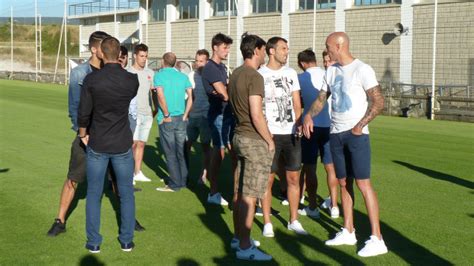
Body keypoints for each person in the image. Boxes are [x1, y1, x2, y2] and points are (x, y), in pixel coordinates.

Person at [303, 32, 388, 257]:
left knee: (363, 184)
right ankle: (348, 230)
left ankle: (377, 238)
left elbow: (378, 102)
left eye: (328, 46)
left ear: (339, 46)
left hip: (356, 135)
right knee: (343, 183)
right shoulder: (331, 71)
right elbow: (322, 98)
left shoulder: (363, 69)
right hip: (335, 134)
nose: (326, 49)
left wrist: (360, 125)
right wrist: (309, 116)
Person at [78, 36, 139, 253]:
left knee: (94, 193)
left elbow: (84, 112)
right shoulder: (132, 80)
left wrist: (82, 133)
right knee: (126, 192)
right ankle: (126, 240)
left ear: (102, 54)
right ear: (119, 54)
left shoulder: (92, 80)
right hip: (122, 142)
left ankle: (94, 242)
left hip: (98, 142)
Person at [47, 31, 109, 236]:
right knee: (73, 178)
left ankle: (129, 219)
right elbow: (74, 106)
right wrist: (82, 133)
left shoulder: (110, 71)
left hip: (109, 135)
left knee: (118, 179)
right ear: (94, 49)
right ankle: (60, 220)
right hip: (86, 136)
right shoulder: (80, 73)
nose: (107, 50)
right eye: (103, 46)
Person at [228, 32, 273, 261]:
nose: (264, 54)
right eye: (263, 50)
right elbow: (256, 114)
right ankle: (245, 246)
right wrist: (269, 140)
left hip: (238, 137)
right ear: (256, 50)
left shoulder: (235, 74)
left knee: (240, 191)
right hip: (253, 140)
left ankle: (239, 237)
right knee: (250, 195)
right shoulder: (254, 76)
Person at [258, 37, 307, 237]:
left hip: (292, 133)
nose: (287, 52)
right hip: (270, 135)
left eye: (287, 49)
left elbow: (297, 101)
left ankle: (293, 219)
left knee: (293, 177)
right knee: (268, 180)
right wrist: (265, 131)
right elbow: (258, 105)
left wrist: (298, 121)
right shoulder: (260, 74)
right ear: (271, 51)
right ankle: (268, 222)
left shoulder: (291, 73)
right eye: (283, 49)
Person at [296, 49, 339, 219]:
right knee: (330, 168)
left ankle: (312, 206)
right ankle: (334, 206)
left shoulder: (300, 78)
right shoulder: (330, 75)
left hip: (310, 126)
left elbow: (296, 102)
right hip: (330, 127)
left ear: (301, 63)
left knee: (309, 167)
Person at [201, 33, 236, 206]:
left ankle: (224, 189)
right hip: (218, 114)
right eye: (225, 47)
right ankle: (213, 191)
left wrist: (226, 90)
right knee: (219, 151)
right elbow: (225, 94)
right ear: (215, 47)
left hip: (227, 113)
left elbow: (226, 91)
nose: (227, 51)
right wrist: (225, 91)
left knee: (228, 150)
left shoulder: (221, 67)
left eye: (228, 47)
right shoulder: (210, 68)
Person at [154, 52, 193, 192]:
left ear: (163, 61)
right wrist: (186, 114)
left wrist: (166, 114)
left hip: (168, 118)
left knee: (170, 152)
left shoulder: (159, 76)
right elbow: (190, 96)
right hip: (181, 118)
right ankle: (183, 180)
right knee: (181, 151)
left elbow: (160, 94)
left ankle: (175, 183)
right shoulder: (182, 76)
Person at [127, 44, 155, 183]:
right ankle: (129, 173)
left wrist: (154, 111)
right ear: (135, 56)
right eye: (141, 56)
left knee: (142, 143)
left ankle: (138, 172)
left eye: (146, 56)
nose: (144, 59)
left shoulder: (150, 73)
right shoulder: (128, 72)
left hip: (147, 113)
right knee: (133, 143)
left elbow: (154, 93)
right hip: (134, 113)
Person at [186, 49, 212, 184]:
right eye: (196, 60)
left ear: (207, 62)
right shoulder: (191, 75)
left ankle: (204, 174)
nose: (198, 63)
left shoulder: (210, 76)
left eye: (201, 61)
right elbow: (189, 96)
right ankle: (184, 173)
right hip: (193, 116)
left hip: (206, 117)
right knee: (186, 145)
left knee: (205, 146)